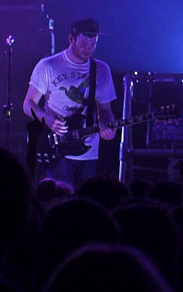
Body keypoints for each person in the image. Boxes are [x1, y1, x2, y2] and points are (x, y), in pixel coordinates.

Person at [25, 19, 117, 187]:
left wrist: (108, 126)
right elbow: (28, 104)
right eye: (83, 44)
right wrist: (47, 119)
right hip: (58, 149)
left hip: (89, 151)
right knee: (59, 197)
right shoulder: (48, 66)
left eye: (93, 44)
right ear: (71, 39)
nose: (88, 49)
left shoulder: (102, 70)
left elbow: (105, 108)